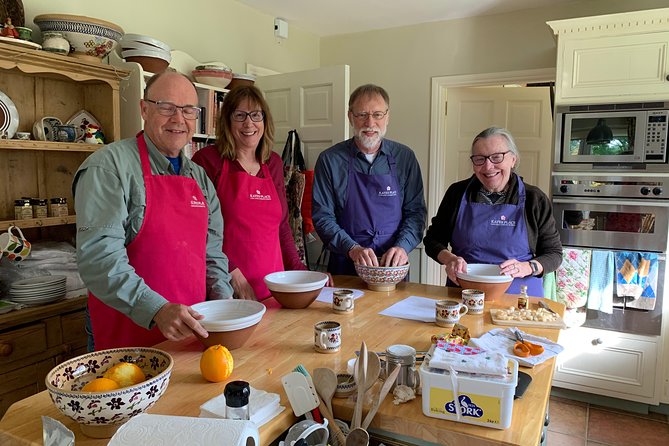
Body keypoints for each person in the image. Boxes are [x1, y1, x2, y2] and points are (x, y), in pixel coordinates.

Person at [74, 70, 233, 350]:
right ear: (144, 109)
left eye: (188, 110)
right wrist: (157, 309)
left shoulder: (200, 178)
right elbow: (100, 259)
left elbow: (212, 254)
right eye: (167, 107)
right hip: (127, 337)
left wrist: (224, 307)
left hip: (191, 334)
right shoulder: (109, 167)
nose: (178, 119)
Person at [192, 86, 307, 302]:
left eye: (256, 115)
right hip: (226, 287)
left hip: (274, 287)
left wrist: (301, 271)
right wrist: (232, 274)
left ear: (265, 120)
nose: (249, 123)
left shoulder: (273, 162)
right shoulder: (207, 161)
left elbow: (282, 227)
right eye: (239, 115)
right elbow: (198, 230)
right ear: (227, 121)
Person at [423, 126, 562, 296]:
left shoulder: (535, 199)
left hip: (518, 298)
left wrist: (527, 267)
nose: (488, 167)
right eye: (479, 159)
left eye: (497, 157)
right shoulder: (457, 194)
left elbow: (553, 254)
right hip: (464, 295)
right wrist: (450, 259)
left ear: (513, 159)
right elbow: (432, 240)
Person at [312, 84, 426, 275]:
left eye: (377, 114)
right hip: (345, 263)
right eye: (362, 114)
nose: (370, 123)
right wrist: (352, 249)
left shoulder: (405, 157)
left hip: (392, 267)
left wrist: (402, 247)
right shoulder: (330, 160)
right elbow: (322, 217)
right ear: (350, 117)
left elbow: (415, 213)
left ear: (387, 117)